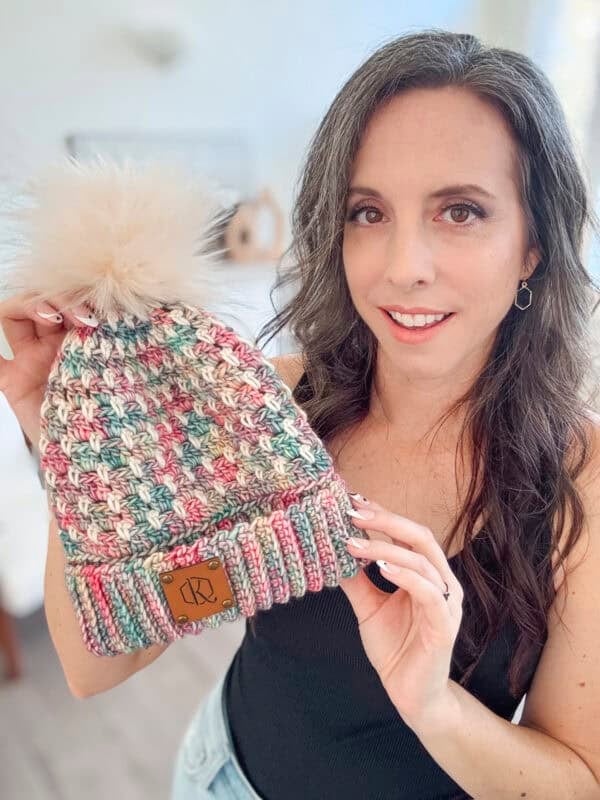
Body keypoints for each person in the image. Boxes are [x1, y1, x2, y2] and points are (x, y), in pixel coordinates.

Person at [2, 27, 600, 800]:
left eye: (460, 212)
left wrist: (432, 706)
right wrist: (64, 439)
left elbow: (580, 777)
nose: (403, 268)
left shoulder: (578, 478)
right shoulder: (273, 407)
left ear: (533, 246)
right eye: (367, 213)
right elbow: (97, 663)